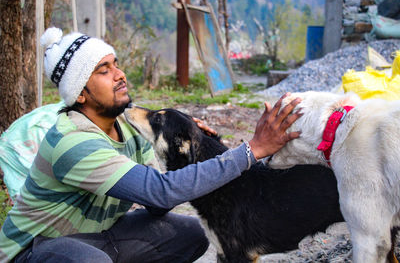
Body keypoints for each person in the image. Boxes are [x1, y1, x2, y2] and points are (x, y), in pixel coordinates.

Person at [0, 27, 302, 263]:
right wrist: (252, 151)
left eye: (116, 65)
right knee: (90, 259)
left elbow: (158, 204)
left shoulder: (128, 129)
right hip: (36, 250)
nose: (120, 75)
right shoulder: (72, 142)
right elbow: (158, 190)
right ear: (80, 94)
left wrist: (190, 146)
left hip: (96, 239)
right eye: (103, 71)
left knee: (190, 235)